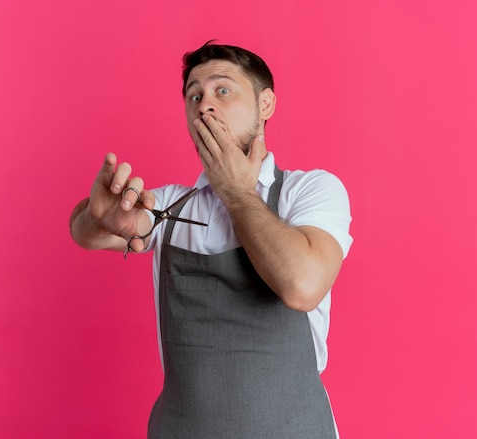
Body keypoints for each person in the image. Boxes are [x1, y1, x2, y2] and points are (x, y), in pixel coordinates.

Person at [70, 42, 353, 439]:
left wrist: (237, 191)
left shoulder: (310, 192)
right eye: (195, 96)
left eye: (223, 90)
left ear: (265, 103)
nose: (205, 106)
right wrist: (97, 217)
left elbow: (302, 285)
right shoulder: (167, 206)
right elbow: (87, 236)